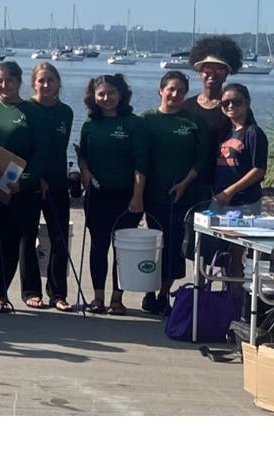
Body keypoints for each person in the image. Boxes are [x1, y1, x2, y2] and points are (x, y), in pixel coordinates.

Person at [0, 60, 47, 313]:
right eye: (0, 80)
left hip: (17, 191)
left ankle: (1, 294)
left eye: (10, 80)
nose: (4, 85)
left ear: (19, 82)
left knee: (8, 243)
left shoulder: (33, 112)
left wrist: (24, 181)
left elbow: (41, 153)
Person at [78, 73, 148, 315]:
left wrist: (137, 196)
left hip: (127, 196)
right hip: (97, 196)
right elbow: (82, 154)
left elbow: (141, 163)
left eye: (111, 93)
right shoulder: (89, 125)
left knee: (122, 249)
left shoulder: (134, 124)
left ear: (121, 94)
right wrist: (84, 170)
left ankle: (117, 299)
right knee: (98, 246)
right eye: (101, 94)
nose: (107, 98)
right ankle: (98, 297)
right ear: (93, 97)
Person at [140, 70, 209, 314]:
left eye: (181, 90)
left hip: (182, 194)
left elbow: (202, 160)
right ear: (161, 90)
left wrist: (185, 183)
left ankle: (163, 294)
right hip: (152, 194)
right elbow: (137, 158)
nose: (175, 94)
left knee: (174, 245)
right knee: (153, 244)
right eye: (171, 89)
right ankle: (148, 291)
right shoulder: (146, 120)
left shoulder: (193, 122)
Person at [20, 61, 76, 311]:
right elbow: (25, 148)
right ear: (33, 83)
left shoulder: (66, 112)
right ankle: (30, 290)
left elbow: (58, 148)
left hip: (57, 183)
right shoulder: (25, 109)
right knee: (27, 236)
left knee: (59, 237)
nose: (45, 85)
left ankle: (57, 293)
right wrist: (35, 175)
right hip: (31, 182)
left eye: (50, 80)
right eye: (41, 80)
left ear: (58, 84)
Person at [183, 35, 244, 199]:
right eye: (207, 70)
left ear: (227, 74)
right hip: (190, 180)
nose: (213, 75)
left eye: (219, 70)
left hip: (224, 182)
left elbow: (247, 142)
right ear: (200, 73)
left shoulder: (234, 107)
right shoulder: (186, 106)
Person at [211, 82, 268, 218]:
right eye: (226, 103)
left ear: (247, 103)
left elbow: (259, 170)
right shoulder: (225, 132)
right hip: (220, 200)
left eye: (237, 102)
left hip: (245, 202)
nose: (231, 106)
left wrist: (230, 192)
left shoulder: (253, 132)